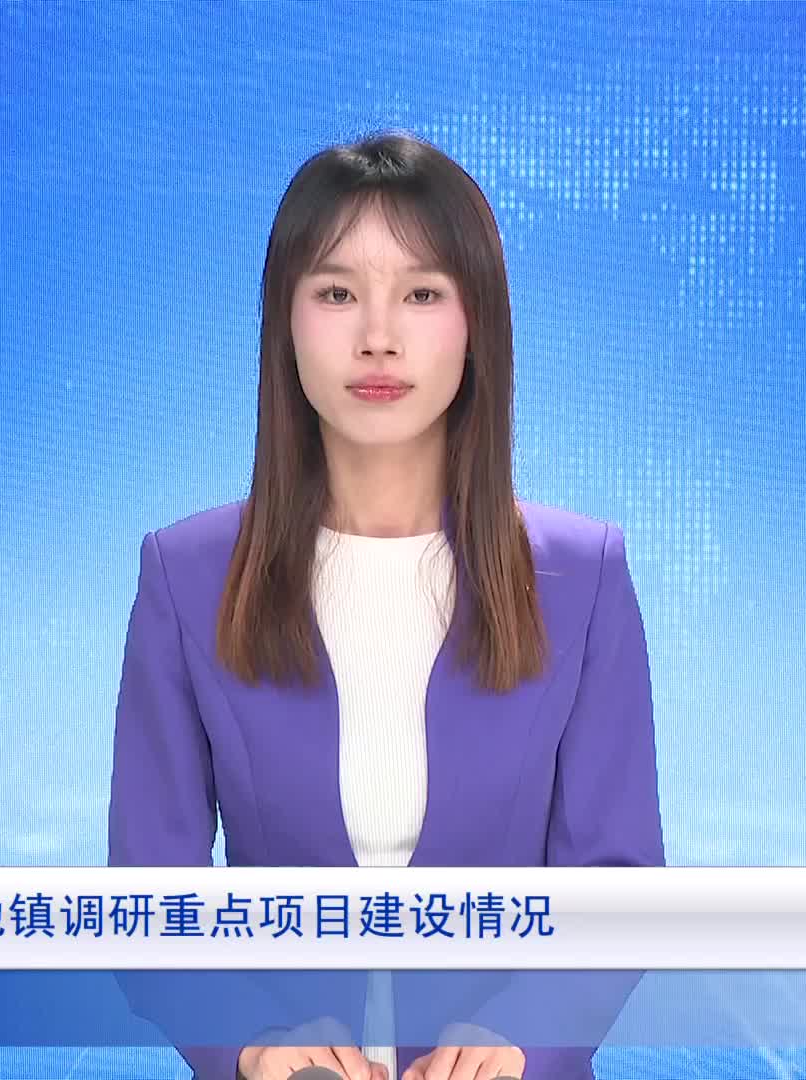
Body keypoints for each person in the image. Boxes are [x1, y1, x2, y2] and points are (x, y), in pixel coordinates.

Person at [108, 130, 665, 1080]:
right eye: (336, 293)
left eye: (421, 293)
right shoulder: (186, 575)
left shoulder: (583, 577)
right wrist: (253, 1041)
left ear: (477, 322)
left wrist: (518, 1037)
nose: (377, 335)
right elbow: (148, 902)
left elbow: (617, 886)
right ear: (284, 322)